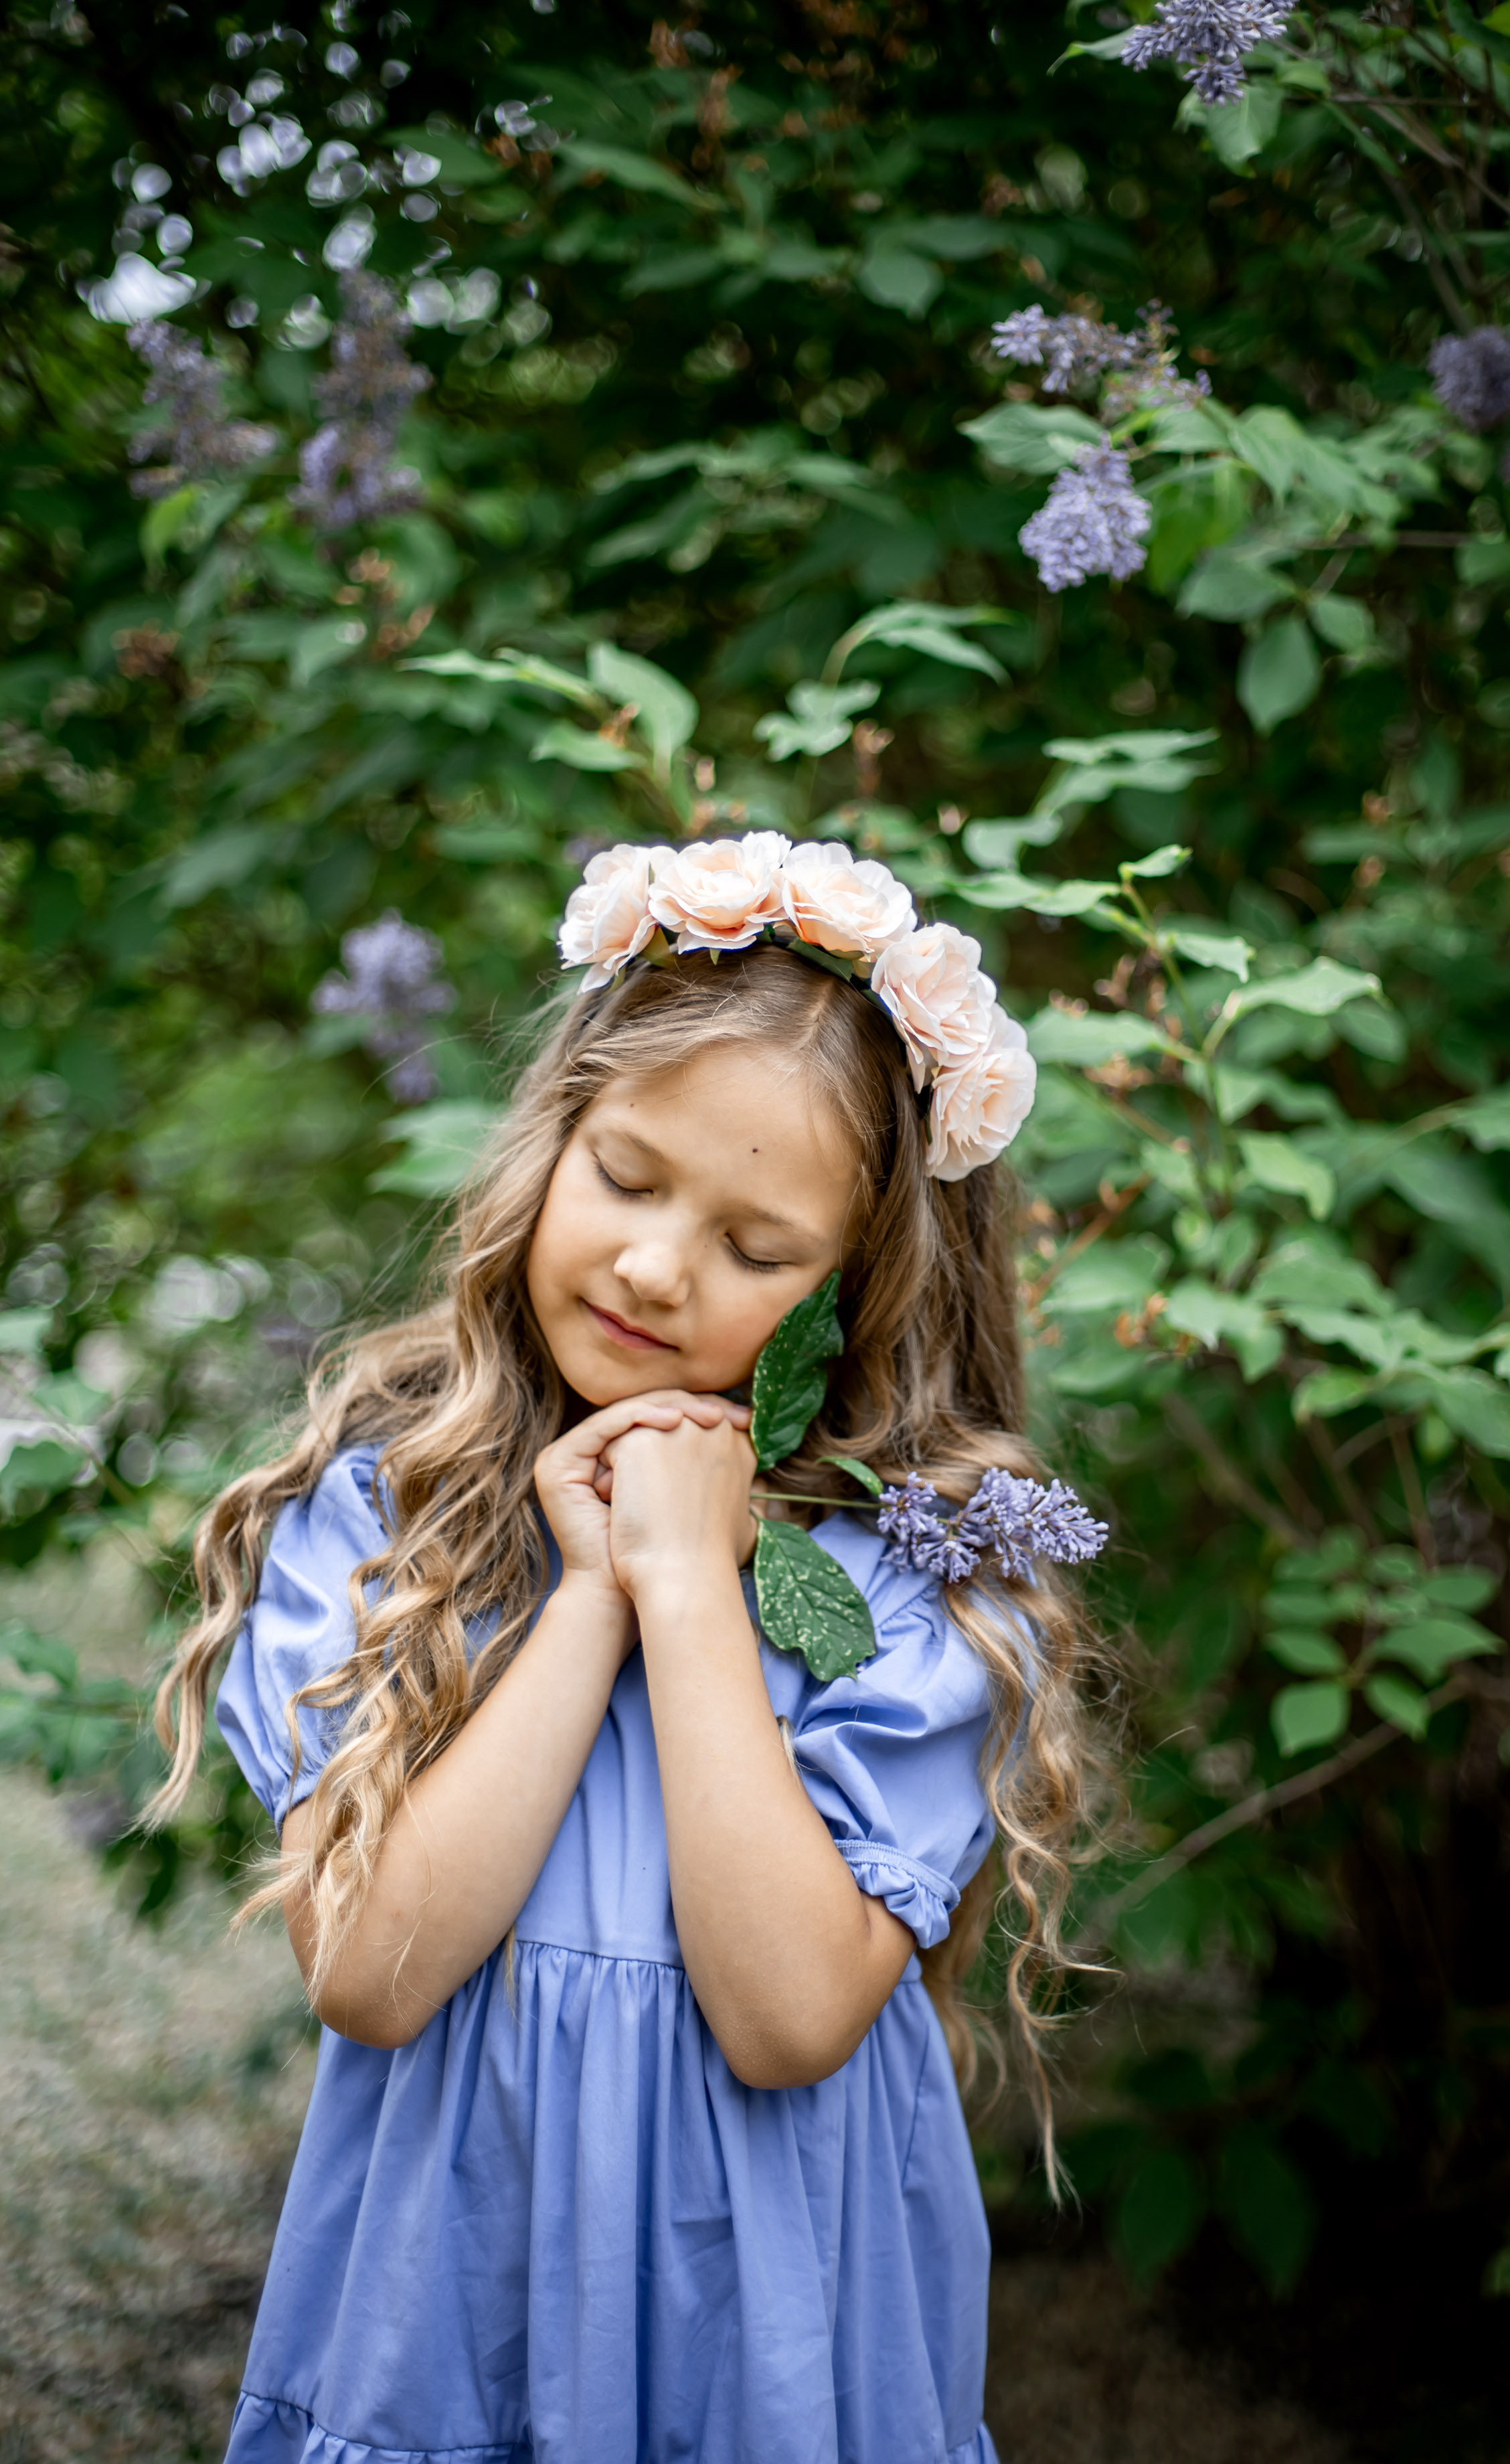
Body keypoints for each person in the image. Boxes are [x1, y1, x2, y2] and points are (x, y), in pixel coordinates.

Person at [150, 831, 1104, 2464]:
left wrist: (686, 1582)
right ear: (552, 1142)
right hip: (450, 2335)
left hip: (777, 2358)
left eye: (758, 1249)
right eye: (629, 1176)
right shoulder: (392, 1517)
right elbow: (372, 1975)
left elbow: (789, 2013)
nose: (659, 1267)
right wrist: (589, 1593)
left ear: (864, 1287)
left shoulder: (924, 1579)